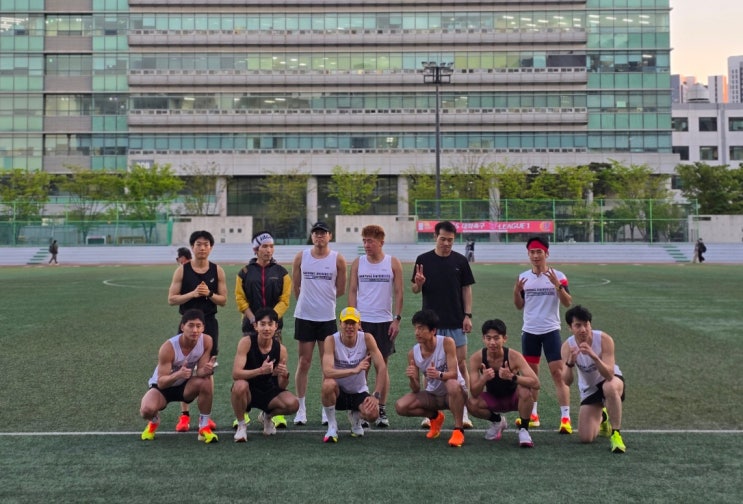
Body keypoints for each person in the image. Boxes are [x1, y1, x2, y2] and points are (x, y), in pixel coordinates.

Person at [411, 220, 475, 429]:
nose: (446, 243)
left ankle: (464, 411)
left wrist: (467, 315)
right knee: (427, 368)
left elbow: (466, 289)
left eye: (450, 240)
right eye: (443, 239)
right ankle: (430, 413)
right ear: (435, 237)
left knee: (461, 365)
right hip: (431, 325)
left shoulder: (460, 261)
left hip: (456, 321)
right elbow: (414, 289)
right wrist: (418, 284)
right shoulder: (423, 260)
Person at [167, 230, 227, 432]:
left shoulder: (217, 270)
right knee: (183, 368)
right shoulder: (182, 271)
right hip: (187, 324)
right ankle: (184, 416)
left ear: (211, 247)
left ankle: (205, 417)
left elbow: (223, 300)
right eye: (198, 244)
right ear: (192, 247)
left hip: (209, 324)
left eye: (206, 244)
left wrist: (209, 293)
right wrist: (192, 294)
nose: (202, 248)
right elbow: (172, 299)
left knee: (208, 369)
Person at [513, 235, 573, 433]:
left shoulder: (558, 275)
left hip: (551, 331)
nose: (536, 256)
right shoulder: (524, 277)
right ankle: (533, 415)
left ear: (546, 253)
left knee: (558, 373)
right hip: (530, 331)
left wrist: (558, 286)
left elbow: (567, 302)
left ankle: (565, 418)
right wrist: (516, 291)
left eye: (539, 252)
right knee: (531, 375)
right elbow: (519, 306)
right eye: (532, 252)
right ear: (528, 254)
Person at [235, 230, 292, 429]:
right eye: (264, 246)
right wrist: (254, 319)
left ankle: (273, 412)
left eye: (271, 246)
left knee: (276, 368)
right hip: (251, 327)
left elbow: (284, 300)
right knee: (247, 367)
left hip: (274, 328)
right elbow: (240, 299)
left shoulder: (282, 273)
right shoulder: (244, 272)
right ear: (255, 249)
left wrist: (270, 320)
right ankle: (242, 411)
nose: (268, 250)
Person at [347, 224, 403, 428]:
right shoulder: (358, 263)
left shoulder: (392, 262)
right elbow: (352, 291)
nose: (366, 245)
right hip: (362, 322)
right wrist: (354, 318)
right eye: (364, 241)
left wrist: (396, 319)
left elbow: (399, 292)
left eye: (370, 241)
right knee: (363, 366)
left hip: (384, 322)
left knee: (382, 366)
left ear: (381, 242)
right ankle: (361, 409)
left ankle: (380, 408)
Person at [292, 221, 347, 425]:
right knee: (304, 363)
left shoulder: (337, 259)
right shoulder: (301, 256)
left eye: (323, 233)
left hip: (327, 319)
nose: (319, 236)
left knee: (327, 366)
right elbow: (296, 285)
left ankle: (327, 408)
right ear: (312, 236)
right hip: (305, 317)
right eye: (316, 233)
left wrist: (323, 300)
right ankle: (301, 408)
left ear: (330, 236)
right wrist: (307, 303)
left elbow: (341, 289)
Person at [139, 309, 219, 443]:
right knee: (146, 410)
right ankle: (154, 421)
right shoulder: (168, 347)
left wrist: (207, 370)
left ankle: (204, 427)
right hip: (163, 387)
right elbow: (161, 382)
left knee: (206, 381)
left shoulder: (206, 341)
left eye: (198, 326)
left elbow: (200, 372)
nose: (195, 330)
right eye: (190, 325)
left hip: (185, 386)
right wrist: (178, 375)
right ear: (182, 327)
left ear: (203, 328)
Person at [395, 309, 469, 447]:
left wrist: (439, 375)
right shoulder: (413, 353)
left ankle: (458, 430)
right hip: (434, 396)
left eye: (421, 328)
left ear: (433, 331)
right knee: (401, 406)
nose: (417, 332)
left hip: (454, 394)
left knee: (452, 384)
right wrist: (412, 378)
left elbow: (453, 374)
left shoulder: (447, 343)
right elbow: (416, 389)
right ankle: (435, 418)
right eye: (416, 328)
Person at [561, 305, 626, 453]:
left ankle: (616, 434)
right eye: (578, 325)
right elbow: (566, 381)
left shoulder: (604, 339)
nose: (583, 329)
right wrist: (570, 363)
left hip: (610, 380)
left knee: (609, 387)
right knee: (586, 437)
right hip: (589, 388)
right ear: (570, 328)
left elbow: (609, 374)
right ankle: (603, 416)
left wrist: (594, 356)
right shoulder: (567, 347)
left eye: (586, 324)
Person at [467, 319, 540, 448]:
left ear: (504, 338)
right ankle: (498, 422)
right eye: (488, 338)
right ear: (483, 339)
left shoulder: (514, 356)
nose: (492, 342)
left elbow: (536, 383)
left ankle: (524, 429)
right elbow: (474, 392)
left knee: (525, 389)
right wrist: (483, 379)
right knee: (471, 403)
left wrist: (512, 377)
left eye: (496, 338)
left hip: (514, 398)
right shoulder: (476, 358)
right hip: (494, 399)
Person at [230, 307, 299, 442]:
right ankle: (242, 425)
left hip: (268, 391)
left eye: (270, 324)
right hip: (248, 390)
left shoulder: (281, 349)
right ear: (255, 326)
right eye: (262, 324)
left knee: (293, 404)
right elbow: (236, 374)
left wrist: (284, 375)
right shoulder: (246, 342)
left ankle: (267, 417)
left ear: (276, 326)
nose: (266, 328)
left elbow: (281, 386)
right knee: (239, 386)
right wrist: (260, 370)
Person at [320, 307, 387, 443]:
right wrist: (354, 370)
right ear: (340, 324)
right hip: (338, 392)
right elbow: (327, 371)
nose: (349, 327)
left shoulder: (367, 338)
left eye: (353, 323)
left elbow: (381, 367)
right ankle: (332, 426)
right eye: (346, 323)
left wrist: (376, 396)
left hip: (359, 391)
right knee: (327, 384)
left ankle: (355, 417)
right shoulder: (331, 340)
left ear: (359, 324)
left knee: (373, 414)